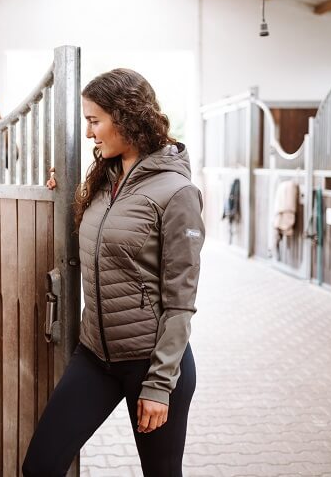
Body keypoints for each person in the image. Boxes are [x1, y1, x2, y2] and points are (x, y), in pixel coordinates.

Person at [22, 68, 204, 477]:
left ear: (125, 117)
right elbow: (91, 246)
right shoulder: (104, 181)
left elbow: (181, 302)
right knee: (40, 466)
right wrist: (56, 196)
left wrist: (159, 385)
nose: (89, 133)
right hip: (95, 356)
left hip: (152, 363)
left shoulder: (177, 193)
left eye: (94, 120)